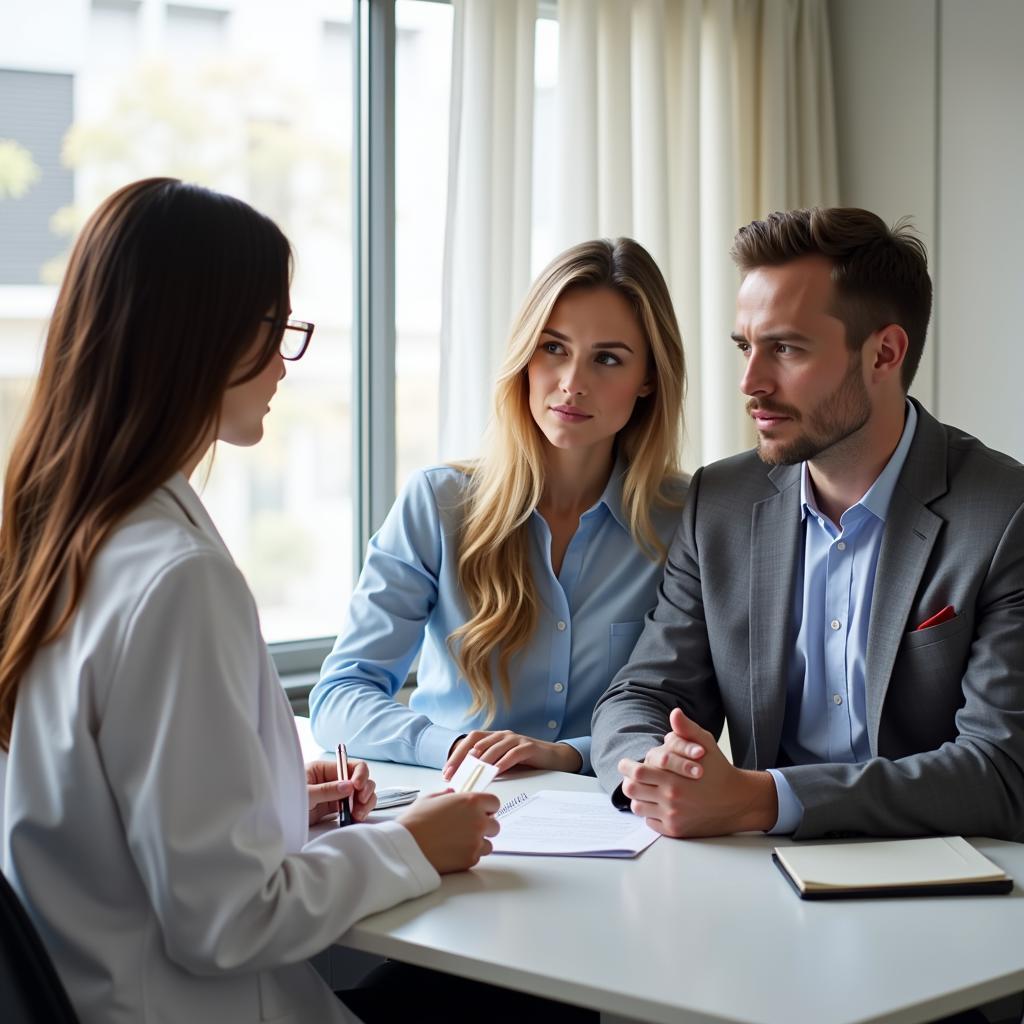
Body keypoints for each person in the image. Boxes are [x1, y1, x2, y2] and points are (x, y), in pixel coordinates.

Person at [0, 177, 501, 1024]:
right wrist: (410, 846)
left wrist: (264, 805)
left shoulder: (50, 537)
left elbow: (91, 812)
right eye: (273, 331)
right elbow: (226, 922)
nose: (281, 362)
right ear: (194, 337)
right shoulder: (175, 577)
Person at [591, 207, 1024, 845]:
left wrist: (763, 800)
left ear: (884, 353)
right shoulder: (721, 502)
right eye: (746, 346)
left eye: (786, 348)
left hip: (938, 885)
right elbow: (640, 694)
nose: (751, 382)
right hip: (756, 877)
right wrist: (656, 768)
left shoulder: (1004, 515)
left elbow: (1001, 772)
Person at [310, 238, 687, 780]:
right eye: (553, 348)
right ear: (525, 357)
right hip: (458, 805)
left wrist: (571, 755)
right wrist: (454, 747)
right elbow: (341, 695)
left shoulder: (681, 521)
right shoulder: (439, 505)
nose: (572, 383)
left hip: (613, 818)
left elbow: (684, 707)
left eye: (607, 358)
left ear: (648, 378)